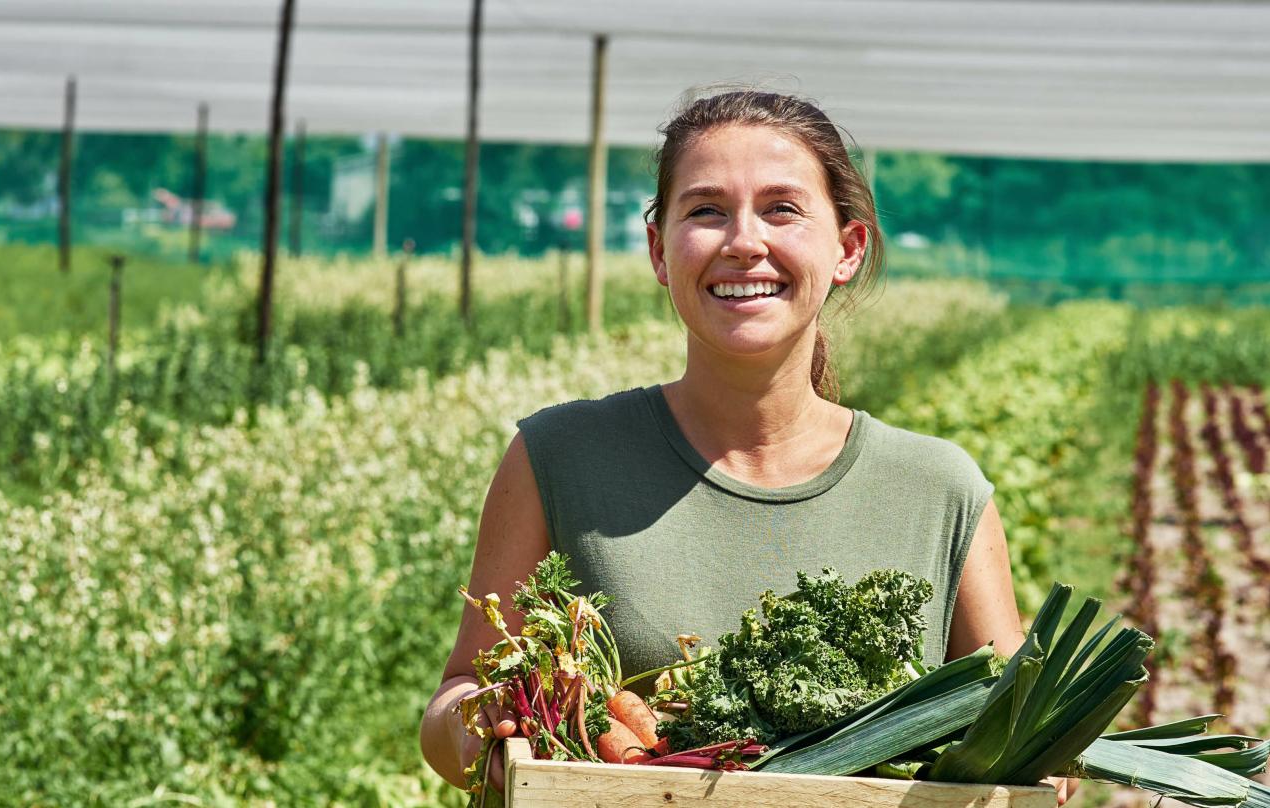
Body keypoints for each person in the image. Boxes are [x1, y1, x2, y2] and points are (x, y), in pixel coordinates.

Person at [418, 90, 1075, 803]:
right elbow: (458, 695)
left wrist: (1047, 760)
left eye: (782, 209)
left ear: (847, 249)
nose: (743, 241)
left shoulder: (939, 491)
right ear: (659, 251)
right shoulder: (558, 458)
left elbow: (1017, 737)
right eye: (705, 210)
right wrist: (483, 728)